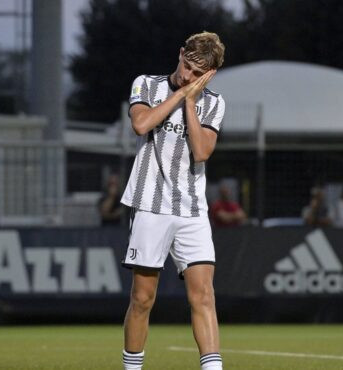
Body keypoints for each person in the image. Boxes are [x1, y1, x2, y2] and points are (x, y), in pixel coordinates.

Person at [120, 32, 225, 370]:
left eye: (198, 74)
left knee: (203, 295)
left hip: (192, 211)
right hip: (150, 206)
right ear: (180, 54)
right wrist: (182, 94)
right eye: (187, 66)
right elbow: (141, 124)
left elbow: (201, 152)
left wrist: (191, 102)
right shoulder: (146, 85)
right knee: (142, 298)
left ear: (210, 74)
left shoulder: (213, 103)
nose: (189, 76)